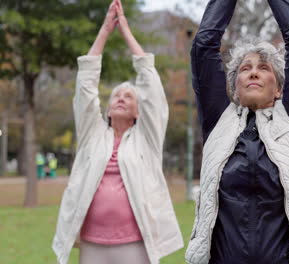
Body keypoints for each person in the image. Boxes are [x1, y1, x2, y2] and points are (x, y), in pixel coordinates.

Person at [185, 0, 289, 263]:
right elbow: (203, 46)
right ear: (234, 87)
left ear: (279, 89)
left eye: (264, 68)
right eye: (245, 69)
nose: (253, 73)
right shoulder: (219, 121)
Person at [52, 1, 183, 263]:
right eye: (116, 96)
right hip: (92, 244)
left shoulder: (148, 138)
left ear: (138, 112)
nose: (121, 98)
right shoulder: (93, 134)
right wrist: (104, 31)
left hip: (134, 243)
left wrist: (126, 33)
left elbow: (151, 86)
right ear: (108, 111)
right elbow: (86, 86)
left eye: (129, 96)